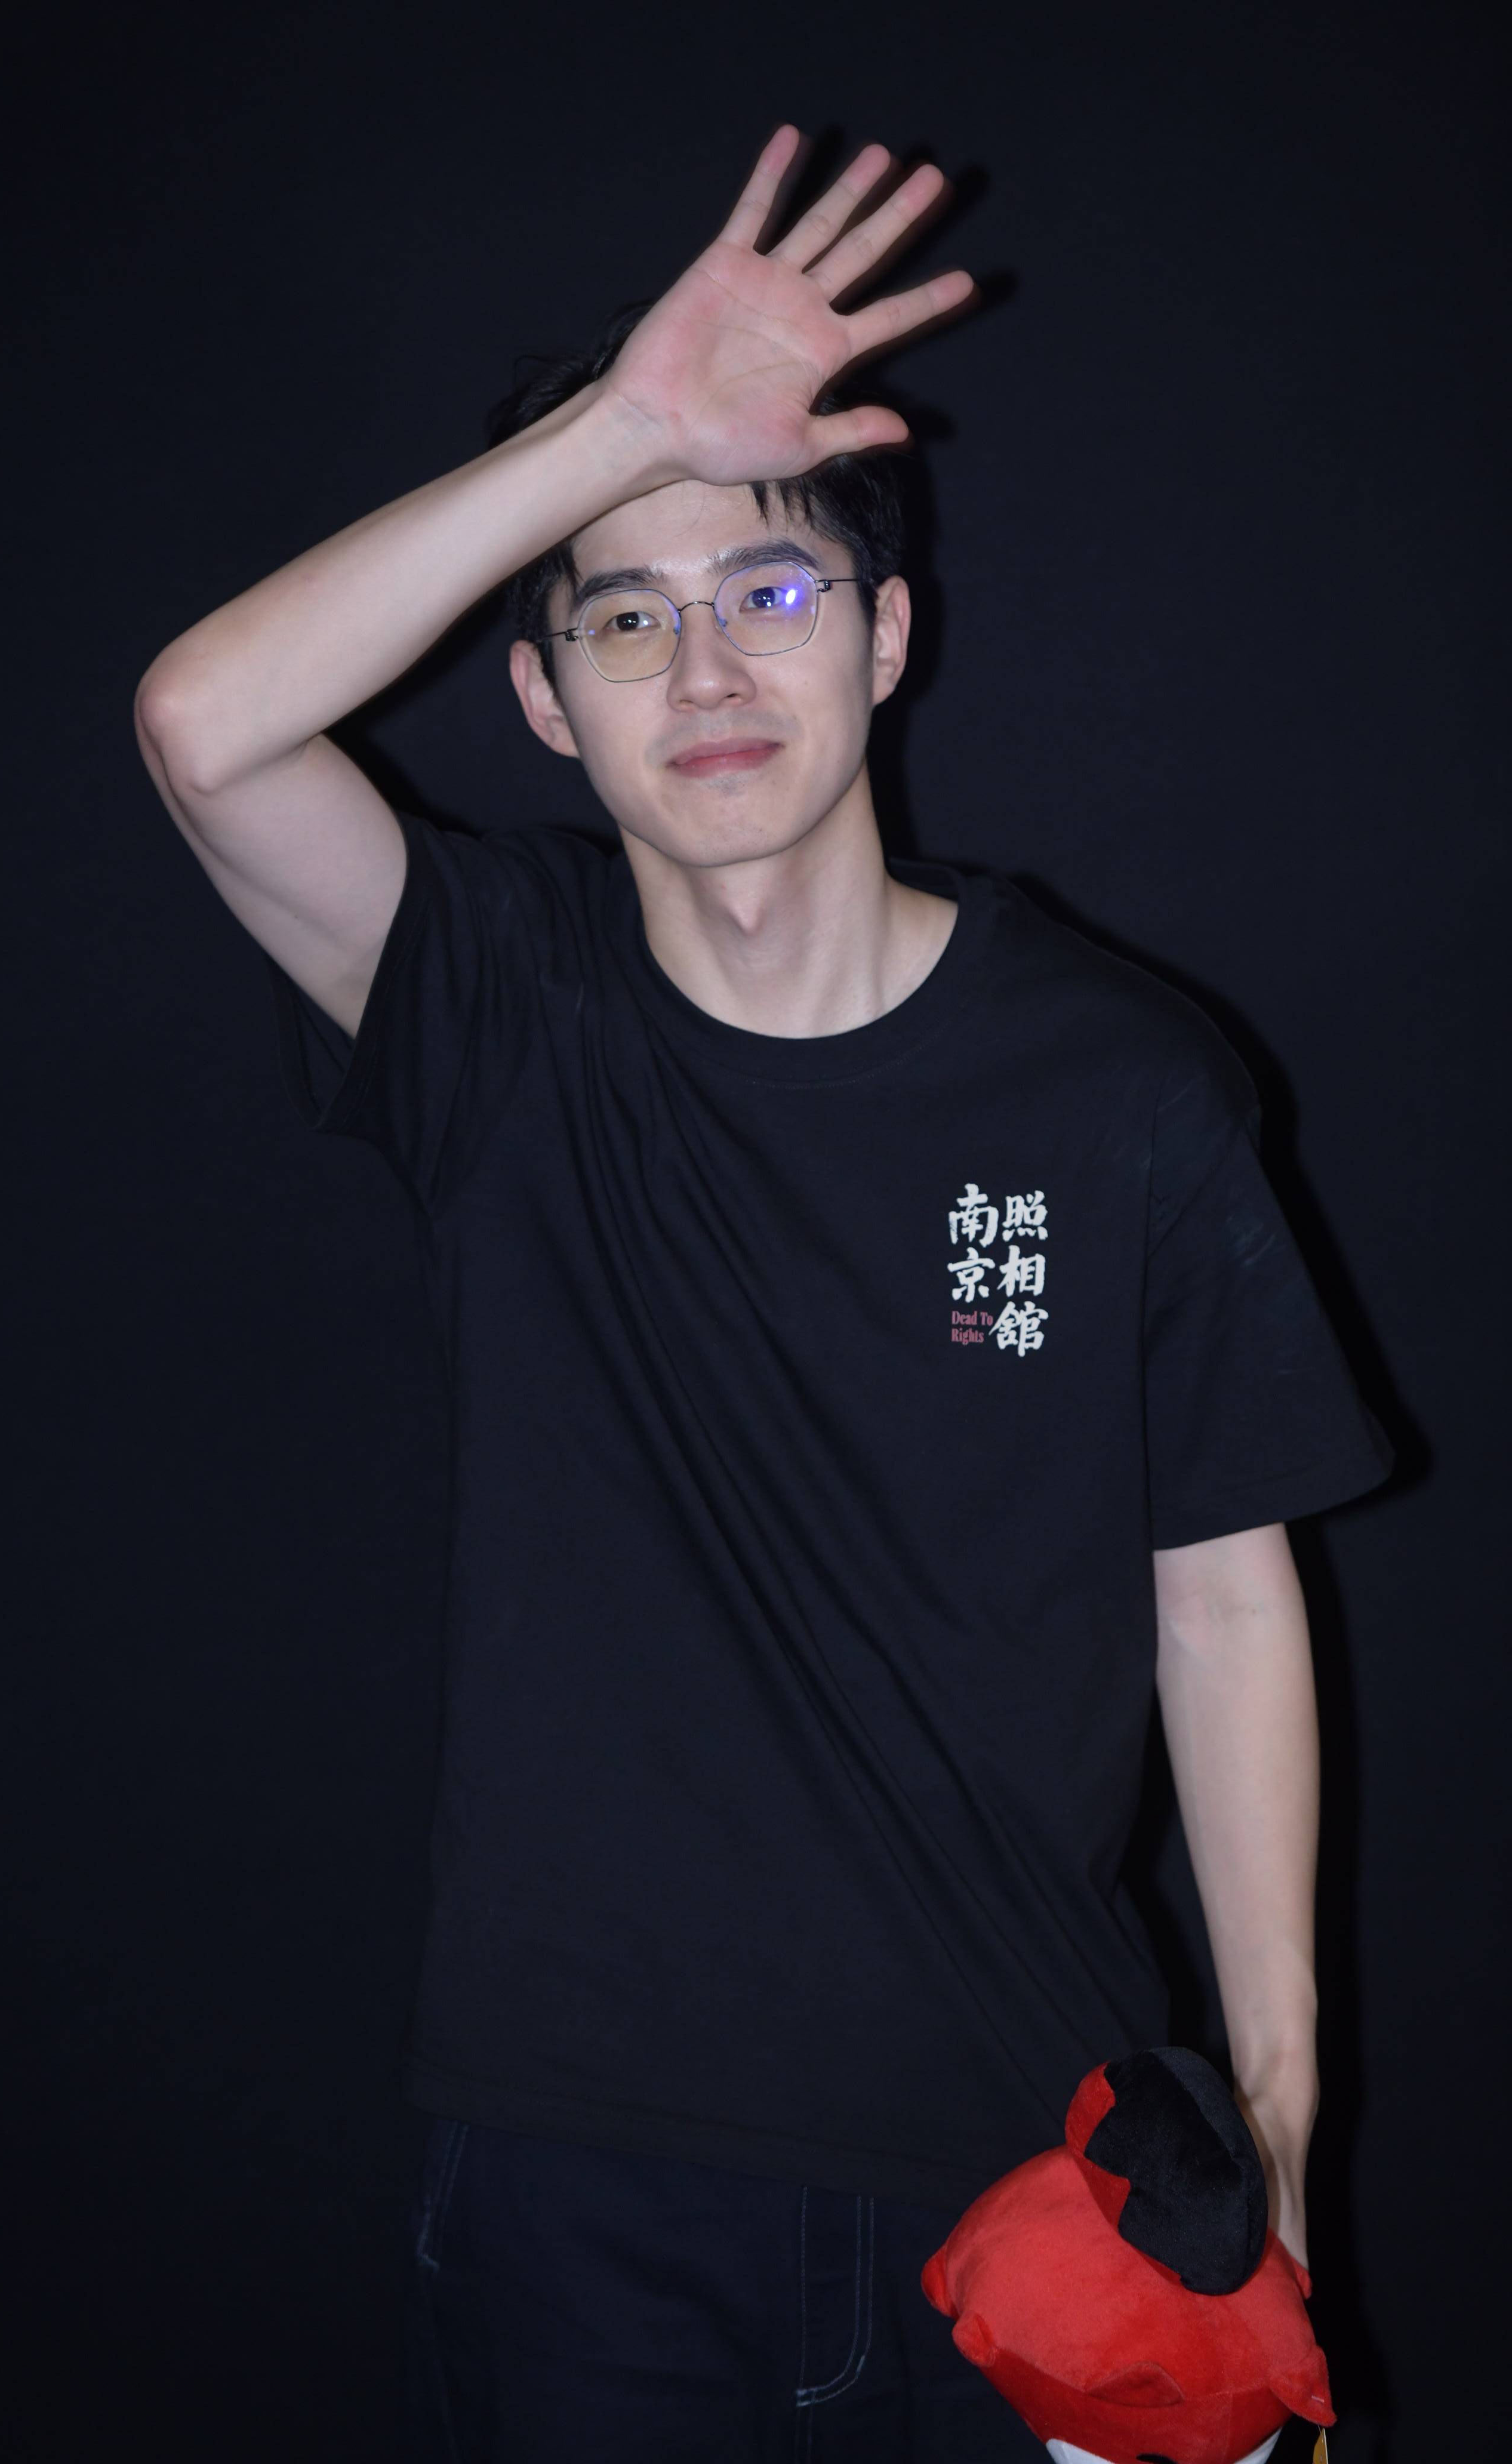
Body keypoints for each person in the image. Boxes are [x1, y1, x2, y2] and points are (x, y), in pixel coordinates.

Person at [134, 123, 1390, 2463]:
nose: (704, 667)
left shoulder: (1122, 1082)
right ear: (545, 700)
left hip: (1030, 2164)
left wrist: (1284, 2116)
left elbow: (1224, 1604)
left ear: (889, 640)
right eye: (623, 617)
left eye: (774, 590)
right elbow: (208, 728)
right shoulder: (498, 1005)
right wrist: (629, 431)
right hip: (578, 2165)